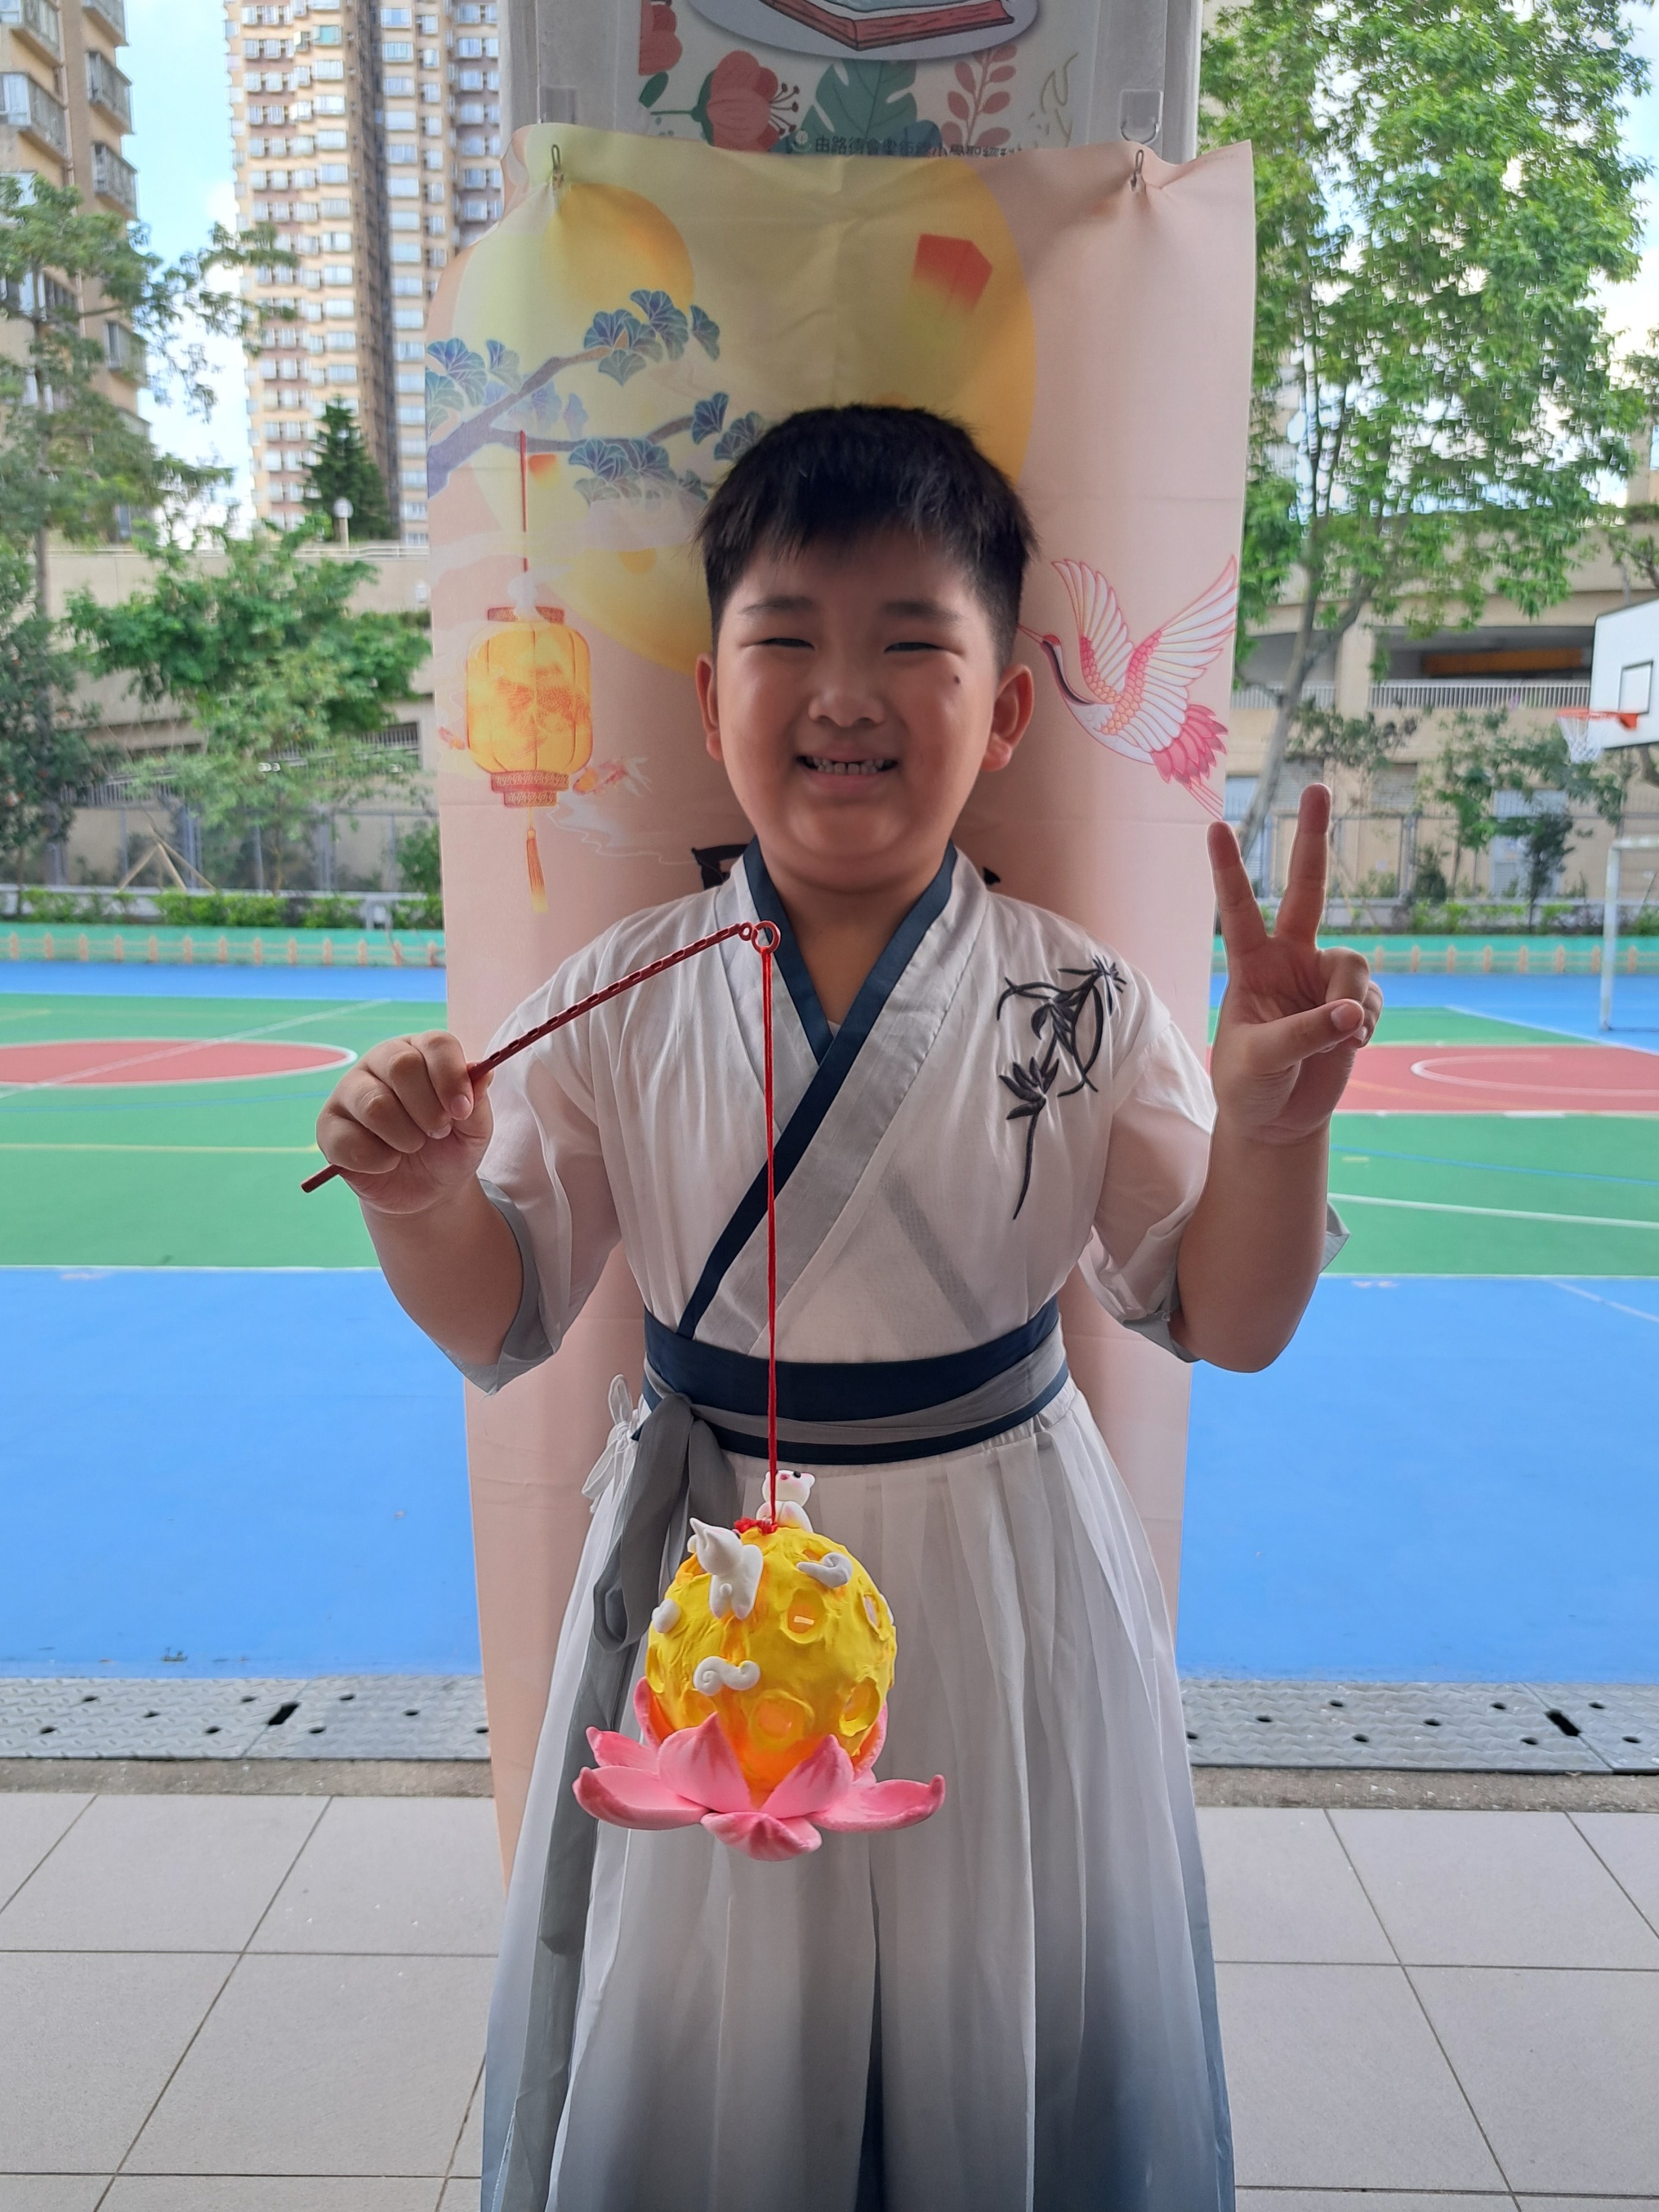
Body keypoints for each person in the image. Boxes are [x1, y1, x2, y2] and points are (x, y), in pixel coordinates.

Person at [315, 405, 1380, 2212]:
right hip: (714, 1578)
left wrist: (1275, 1134)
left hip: (1004, 1567)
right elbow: (505, 1313)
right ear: (709, 692)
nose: (844, 693)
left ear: (1007, 707)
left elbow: (1232, 1314)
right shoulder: (617, 992)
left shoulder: (1082, 1000)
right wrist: (419, 1198)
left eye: (911, 643)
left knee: (996, 1990)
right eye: (787, 636)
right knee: (716, 2025)